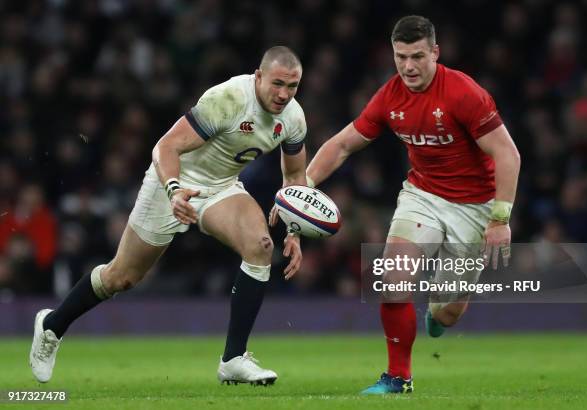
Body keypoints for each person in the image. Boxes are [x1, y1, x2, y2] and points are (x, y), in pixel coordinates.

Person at [30, 46, 307, 386]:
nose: (284, 94)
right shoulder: (228, 99)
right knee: (122, 277)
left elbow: (294, 177)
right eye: (277, 83)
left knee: (261, 246)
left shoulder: (293, 117)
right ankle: (52, 326)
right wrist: (174, 190)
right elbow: (166, 147)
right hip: (173, 182)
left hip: (221, 187)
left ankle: (233, 359)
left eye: (292, 86)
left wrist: (294, 229)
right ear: (259, 76)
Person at [304, 16, 520, 394]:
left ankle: (438, 314)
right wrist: (302, 185)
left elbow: (507, 153)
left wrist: (500, 219)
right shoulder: (390, 96)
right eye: (401, 56)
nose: (408, 66)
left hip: (475, 207)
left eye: (417, 56)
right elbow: (342, 145)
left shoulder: (463, 93)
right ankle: (398, 378)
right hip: (422, 196)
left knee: (448, 312)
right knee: (393, 280)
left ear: (435, 52)